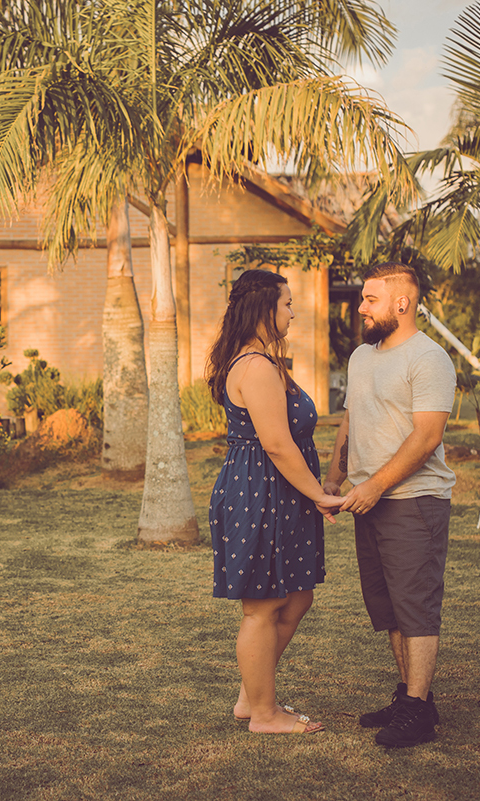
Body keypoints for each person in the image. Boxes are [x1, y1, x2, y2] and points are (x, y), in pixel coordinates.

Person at [322, 261, 457, 748]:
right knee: (390, 609)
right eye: (362, 298)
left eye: (370, 299)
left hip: (412, 502)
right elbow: (351, 422)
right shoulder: (361, 357)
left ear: (402, 303)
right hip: (367, 500)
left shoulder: (428, 359)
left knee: (415, 607)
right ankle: (409, 697)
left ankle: (418, 712)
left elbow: (427, 438)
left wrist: (375, 486)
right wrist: (334, 481)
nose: (360, 307)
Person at [206, 268, 345, 735]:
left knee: (298, 595)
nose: (293, 310)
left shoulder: (268, 361)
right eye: (287, 303)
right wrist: (319, 494)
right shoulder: (256, 367)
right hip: (259, 492)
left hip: (281, 492)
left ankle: (253, 693)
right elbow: (278, 445)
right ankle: (263, 714)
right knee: (262, 606)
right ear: (266, 308)